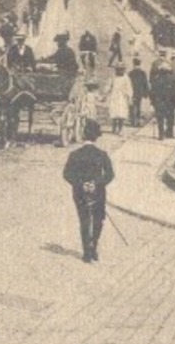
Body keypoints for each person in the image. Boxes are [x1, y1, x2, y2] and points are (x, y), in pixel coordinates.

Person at [62, 119, 115, 263]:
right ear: (97, 137)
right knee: (98, 220)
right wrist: (97, 184)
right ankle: (94, 248)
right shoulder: (102, 154)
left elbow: (67, 174)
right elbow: (110, 174)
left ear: (84, 135)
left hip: (79, 192)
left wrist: (81, 184)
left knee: (84, 220)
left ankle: (86, 252)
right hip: (98, 192)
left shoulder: (75, 154)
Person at [149, 54, 175, 139]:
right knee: (170, 117)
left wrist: (153, 101)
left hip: (160, 101)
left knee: (160, 118)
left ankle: (161, 134)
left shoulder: (157, 79)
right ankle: (170, 132)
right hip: (170, 102)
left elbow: (152, 91)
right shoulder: (172, 79)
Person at [105, 62, 132, 135]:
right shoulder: (113, 77)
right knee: (114, 112)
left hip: (122, 97)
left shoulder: (126, 78)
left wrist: (129, 98)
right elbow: (108, 85)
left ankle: (120, 129)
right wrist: (105, 94)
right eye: (118, 70)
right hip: (114, 96)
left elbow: (129, 88)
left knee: (121, 113)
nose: (120, 71)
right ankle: (114, 127)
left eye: (121, 70)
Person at [127, 56, 150, 128]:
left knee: (131, 106)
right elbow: (145, 83)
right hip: (139, 92)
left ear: (133, 64)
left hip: (132, 92)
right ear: (140, 64)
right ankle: (138, 121)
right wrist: (146, 92)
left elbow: (128, 83)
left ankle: (132, 121)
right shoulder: (143, 73)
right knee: (138, 106)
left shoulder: (130, 73)